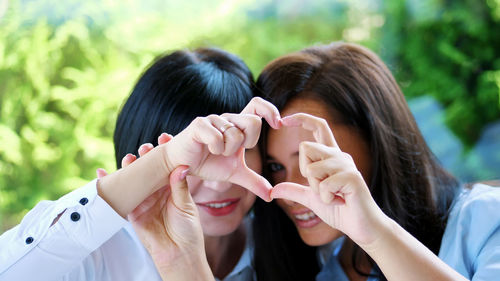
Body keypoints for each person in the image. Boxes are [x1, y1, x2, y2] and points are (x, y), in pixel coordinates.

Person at [0, 47, 281, 281]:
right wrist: (159, 165)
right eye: (196, 155)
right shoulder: (95, 256)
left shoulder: (293, 246)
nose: (219, 184)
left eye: (239, 149)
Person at [252, 42, 500, 281]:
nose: (290, 194)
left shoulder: (487, 221)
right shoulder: (314, 263)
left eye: (313, 160)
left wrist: (377, 235)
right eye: (275, 167)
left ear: (375, 142)